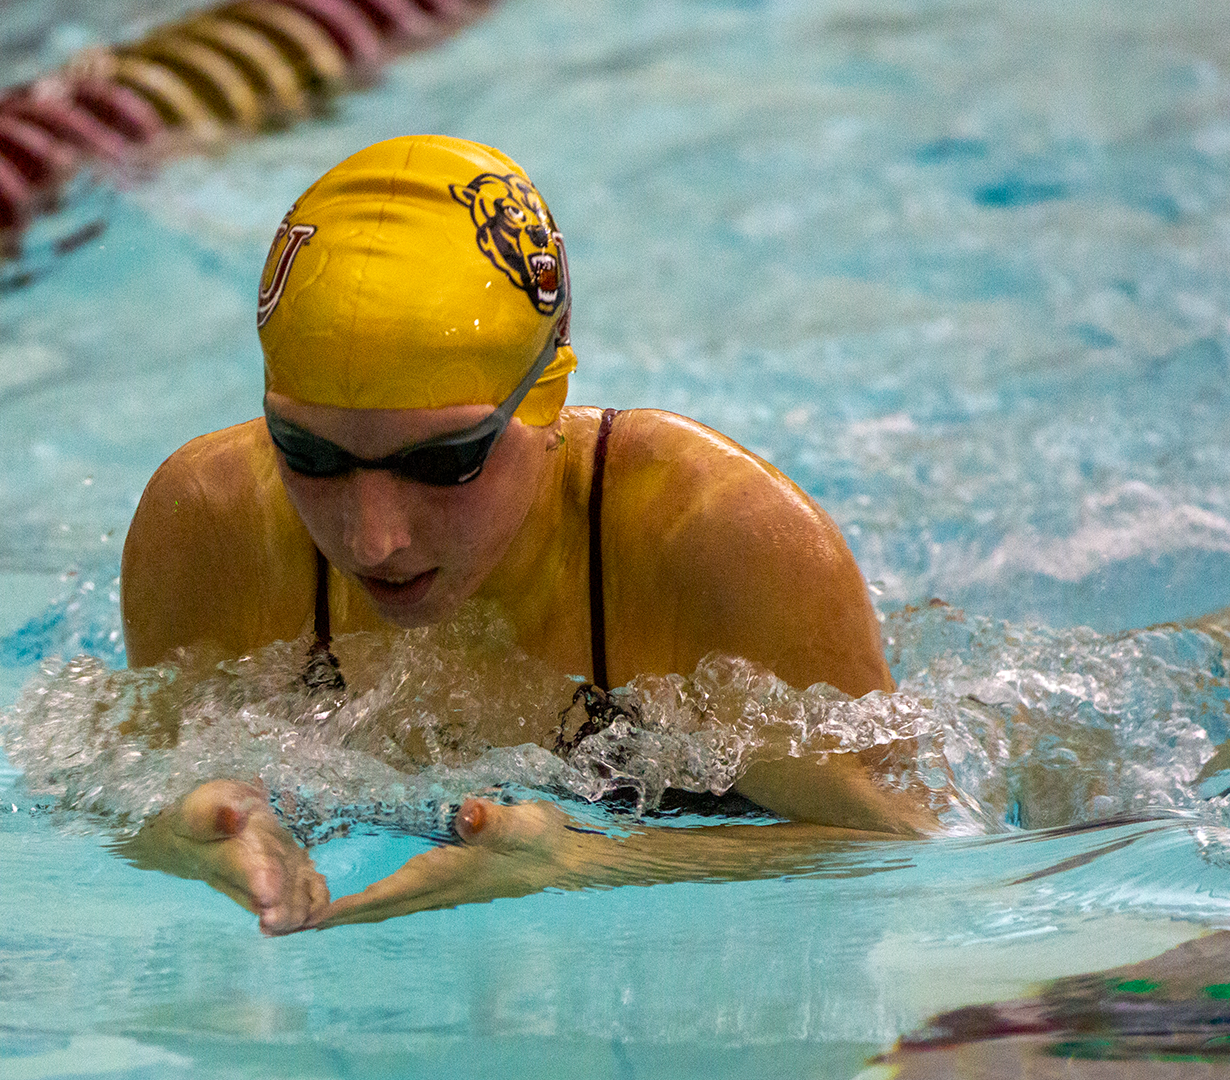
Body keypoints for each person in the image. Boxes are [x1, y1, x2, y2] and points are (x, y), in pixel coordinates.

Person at [118, 135, 935, 934]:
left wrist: (596, 859)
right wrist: (175, 836)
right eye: (308, 455)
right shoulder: (211, 525)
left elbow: (911, 844)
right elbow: (127, 789)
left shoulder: (719, 541)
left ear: (546, 397)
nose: (372, 540)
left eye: (445, 463)